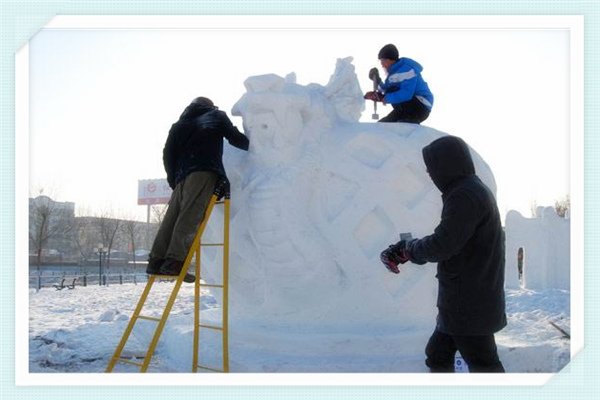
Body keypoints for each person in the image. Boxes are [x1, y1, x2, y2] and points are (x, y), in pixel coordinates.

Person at [380, 135, 506, 373]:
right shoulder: (472, 190)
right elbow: (453, 238)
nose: (430, 174)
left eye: (432, 168)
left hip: (467, 300)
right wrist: (412, 249)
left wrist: (408, 249)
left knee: (484, 366)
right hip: (467, 297)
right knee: (438, 356)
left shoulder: (464, 195)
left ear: (447, 164)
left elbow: (443, 244)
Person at [147, 97, 250, 283]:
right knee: (190, 216)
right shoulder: (215, 116)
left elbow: (167, 154)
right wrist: (259, 146)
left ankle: (156, 260)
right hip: (203, 170)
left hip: (181, 177)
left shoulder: (180, 124)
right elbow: (235, 138)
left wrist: (174, 180)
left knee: (172, 218)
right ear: (210, 106)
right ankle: (175, 262)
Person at [364, 44, 434, 124]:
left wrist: (385, 98)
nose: (381, 64)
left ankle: (410, 120)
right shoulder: (393, 73)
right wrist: (377, 80)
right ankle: (404, 119)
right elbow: (386, 90)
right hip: (405, 108)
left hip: (421, 107)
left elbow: (406, 94)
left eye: (382, 61)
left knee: (392, 90)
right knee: (382, 125)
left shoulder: (407, 70)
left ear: (389, 60)